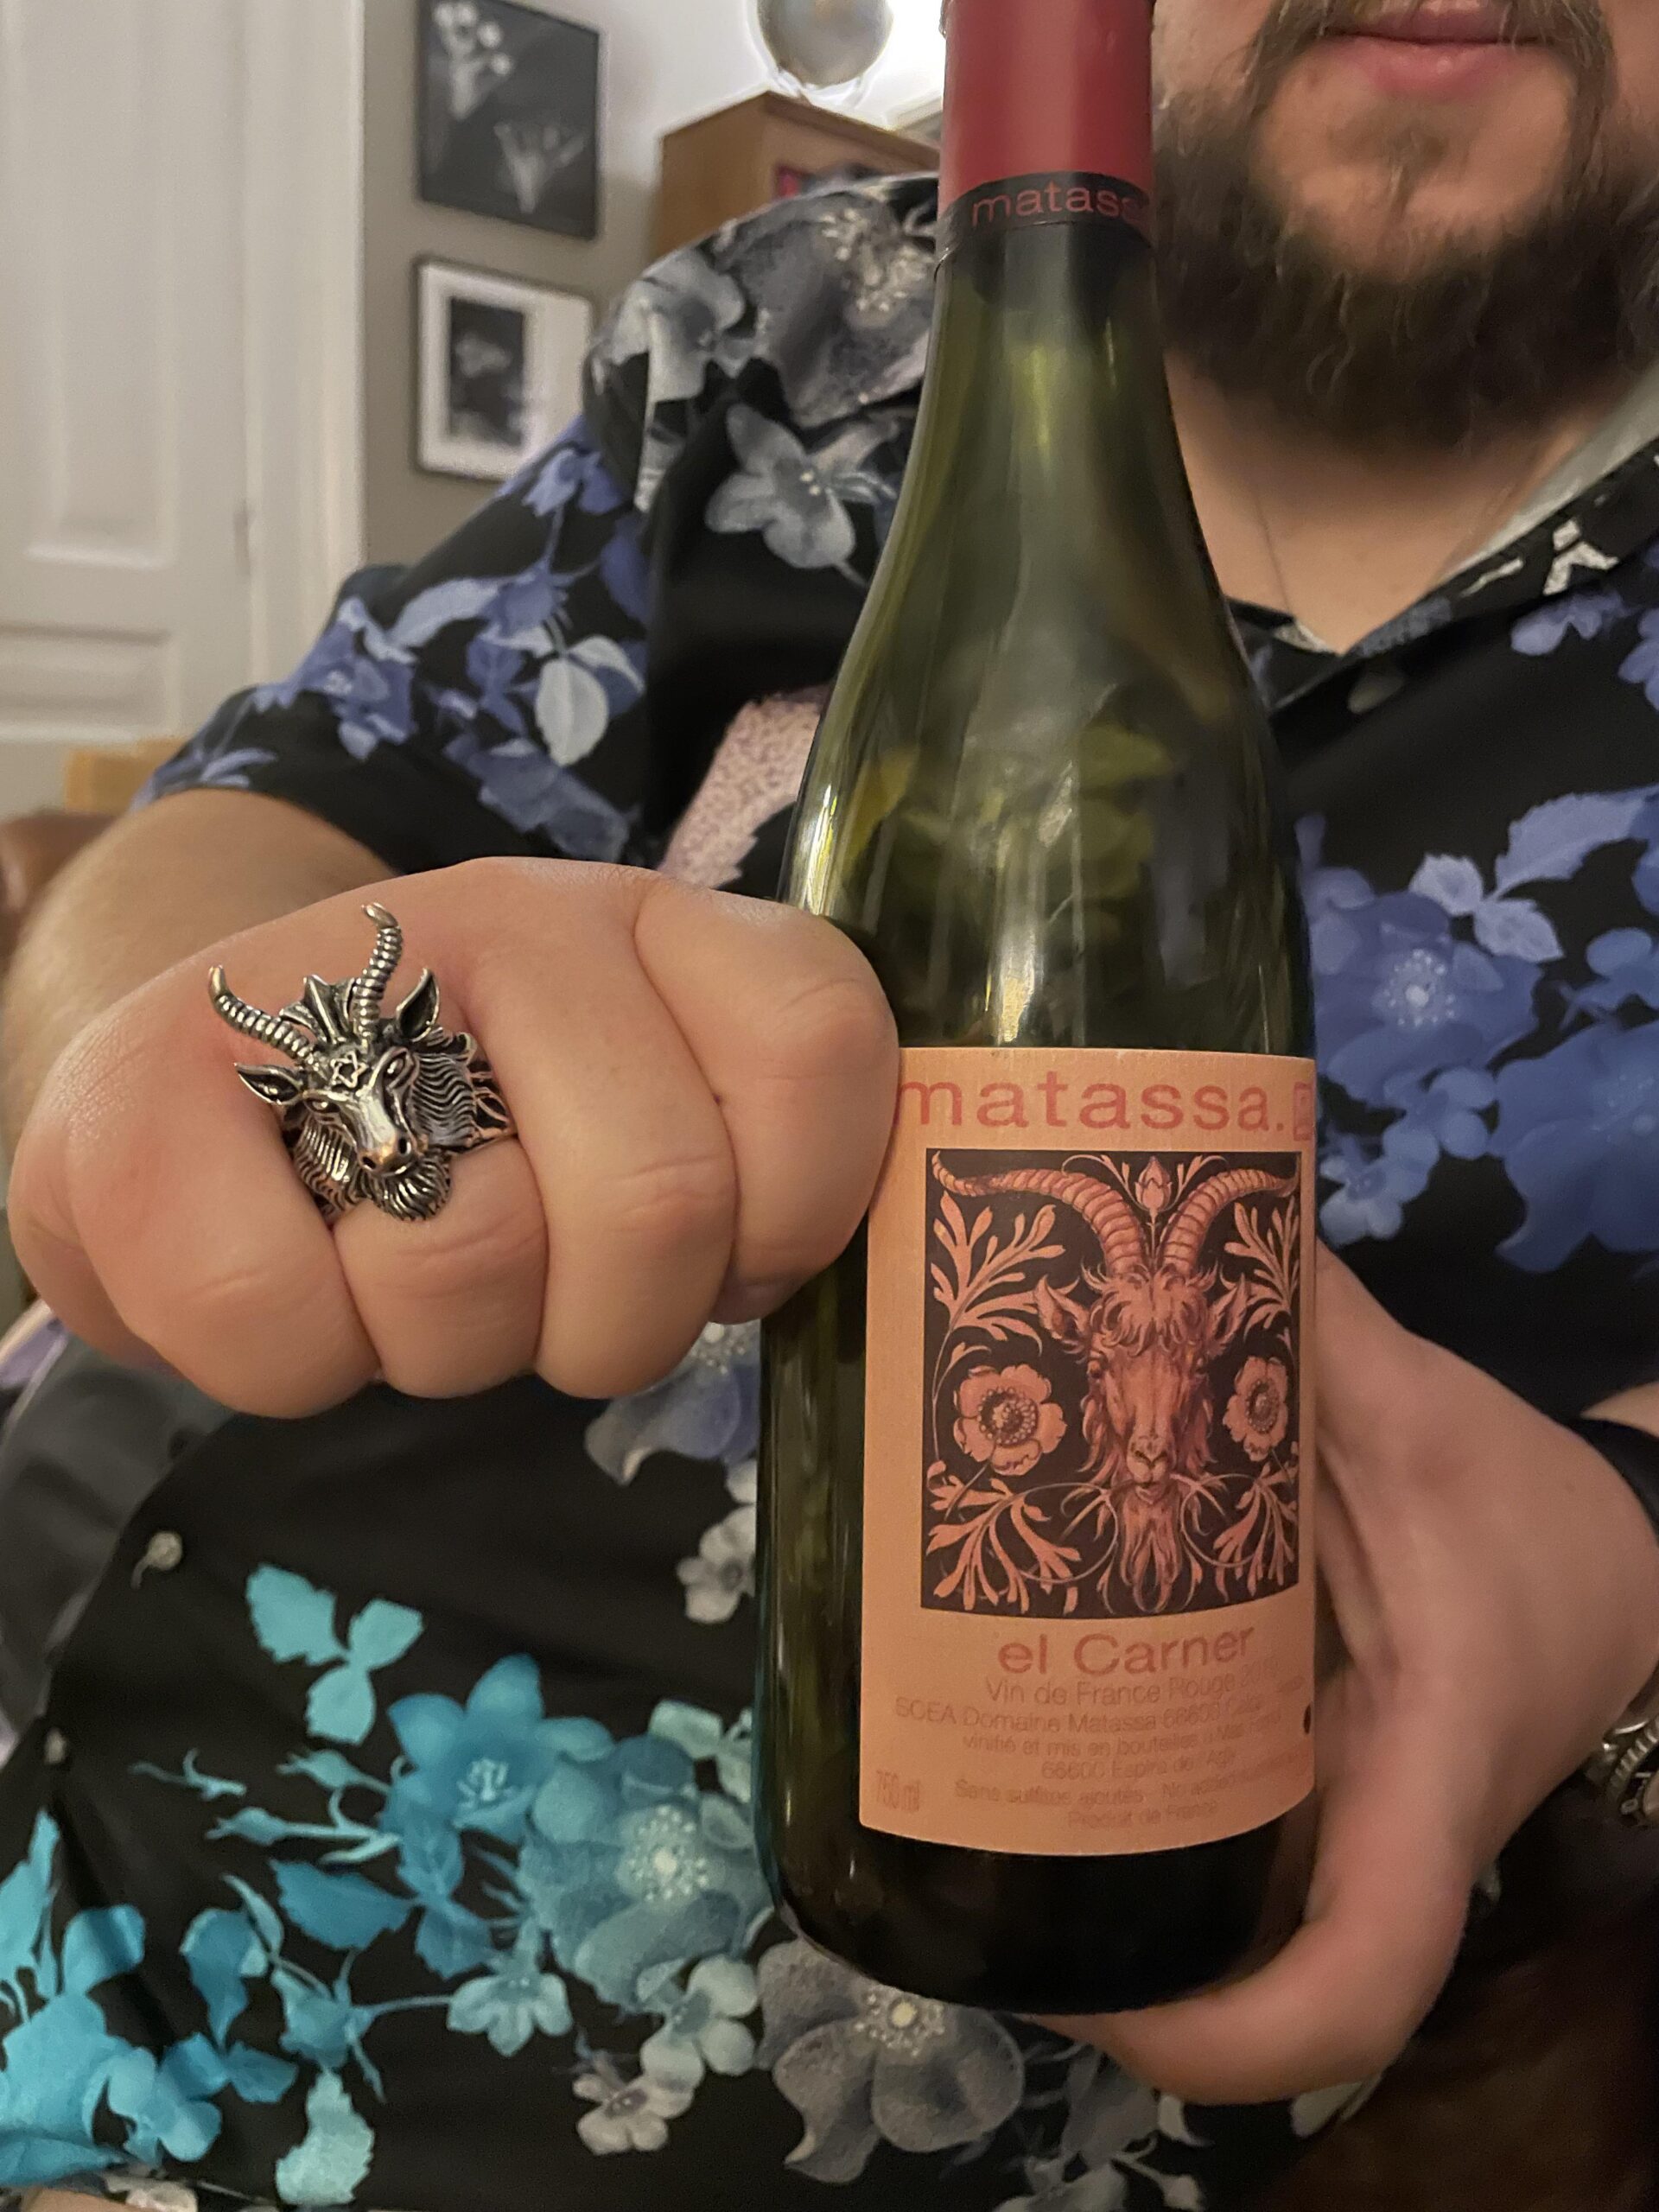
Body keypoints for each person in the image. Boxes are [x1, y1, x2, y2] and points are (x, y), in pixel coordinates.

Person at [3, 0, 1659, 2204]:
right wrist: (302, 1089)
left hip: (1047, 2045)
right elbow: (264, 822)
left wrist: (1630, 1536)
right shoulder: (779, 337)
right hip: (141, 1900)